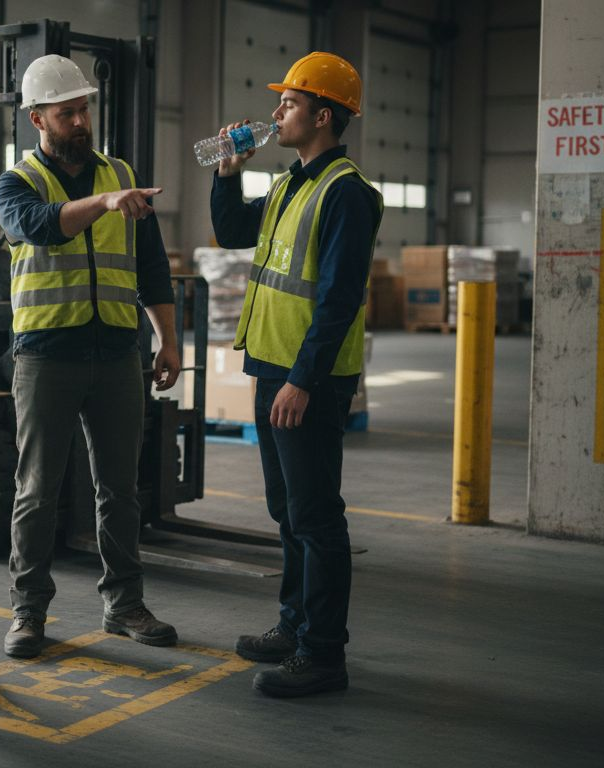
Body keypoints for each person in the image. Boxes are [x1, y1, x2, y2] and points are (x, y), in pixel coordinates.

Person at [0, 54, 181, 658]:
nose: (80, 121)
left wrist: (167, 339)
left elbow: (151, 267)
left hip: (118, 354)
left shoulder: (120, 173)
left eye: (84, 110)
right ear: (35, 119)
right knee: (37, 490)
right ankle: (28, 612)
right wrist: (103, 204)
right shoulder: (15, 183)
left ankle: (124, 604)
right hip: (47, 356)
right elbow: (39, 226)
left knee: (120, 490)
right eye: (67, 112)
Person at [209, 52, 383, 698]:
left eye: (290, 101)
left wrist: (304, 380)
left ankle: (323, 654)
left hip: (307, 380)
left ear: (324, 115)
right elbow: (230, 231)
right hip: (272, 369)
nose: (277, 111)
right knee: (287, 512)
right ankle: (294, 623)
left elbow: (338, 299)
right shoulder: (288, 185)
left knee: (315, 515)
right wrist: (228, 173)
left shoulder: (346, 194)